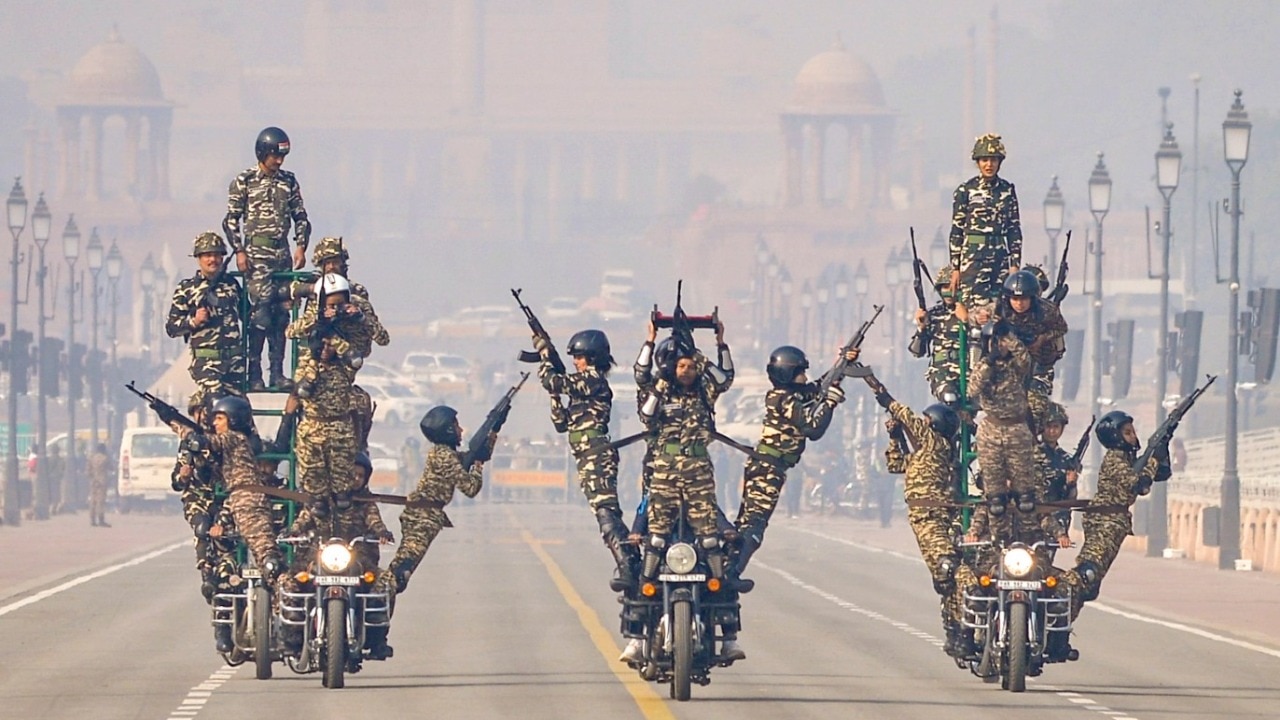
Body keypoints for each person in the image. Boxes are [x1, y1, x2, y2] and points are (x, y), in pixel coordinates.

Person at [634, 322, 741, 660]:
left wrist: (707, 348)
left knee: (709, 539)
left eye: (690, 366)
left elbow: (725, 379)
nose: (686, 371)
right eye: (681, 365)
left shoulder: (704, 391)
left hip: (698, 472)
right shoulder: (659, 390)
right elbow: (646, 414)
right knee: (655, 539)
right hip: (664, 472)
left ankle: (724, 619)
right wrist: (657, 359)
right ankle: (641, 612)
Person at [860, 370, 971, 658]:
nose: (922, 424)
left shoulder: (935, 443)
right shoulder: (926, 453)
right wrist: (895, 437)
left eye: (926, 422)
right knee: (944, 577)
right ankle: (954, 629)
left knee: (949, 569)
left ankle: (961, 631)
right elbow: (897, 465)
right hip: (923, 517)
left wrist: (880, 391)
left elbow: (906, 415)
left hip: (935, 516)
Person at [172, 396, 283, 653]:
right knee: (219, 560)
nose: (212, 422)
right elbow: (178, 480)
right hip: (223, 504)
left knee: (269, 560)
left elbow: (203, 442)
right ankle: (222, 618)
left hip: (240, 503)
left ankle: (286, 618)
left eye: (217, 418)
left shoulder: (234, 439)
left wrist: (182, 428)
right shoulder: (218, 443)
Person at [534, 328, 640, 589]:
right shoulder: (581, 388)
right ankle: (630, 560)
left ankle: (628, 565)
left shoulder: (593, 381)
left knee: (605, 512)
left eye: (579, 357)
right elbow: (561, 423)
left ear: (593, 358)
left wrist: (545, 354)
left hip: (596, 454)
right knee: (604, 512)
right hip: (586, 455)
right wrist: (554, 398)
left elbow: (551, 380)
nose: (575, 362)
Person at [733, 345, 848, 580]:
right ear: (787, 374)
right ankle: (731, 573)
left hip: (769, 466)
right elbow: (812, 429)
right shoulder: (782, 398)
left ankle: (729, 567)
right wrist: (830, 404)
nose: (805, 377)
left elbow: (818, 387)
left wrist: (842, 363)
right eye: (800, 372)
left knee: (749, 523)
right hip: (767, 468)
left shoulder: (790, 395)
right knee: (753, 527)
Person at [224, 126, 311, 391]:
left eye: (282, 156)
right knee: (260, 316)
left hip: (281, 256)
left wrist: (301, 246)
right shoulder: (245, 180)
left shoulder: (289, 181)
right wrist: (239, 250)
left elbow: (300, 216)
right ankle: (254, 374)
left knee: (281, 316)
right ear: (263, 153)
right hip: (256, 257)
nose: (279, 161)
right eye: (275, 156)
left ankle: (277, 373)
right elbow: (231, 220)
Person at [380, 406, 485, 594]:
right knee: (401, 571)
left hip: (422, 513)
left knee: (401, 568)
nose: (461, 430)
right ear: (448, 430)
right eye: (456, 426)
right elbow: (470, 488)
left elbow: (462, 459)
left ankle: (378, 599)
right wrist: (478, 467)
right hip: (424, 517)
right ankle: (374, 599)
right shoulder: (444, 455)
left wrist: (488, 440)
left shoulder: (442, 452)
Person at [286, 275, 371, 504]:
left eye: (339, 303)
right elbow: (291, 332)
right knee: (316, 494)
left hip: (340, 426)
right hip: (313, 426)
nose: (335, 308)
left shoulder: (344, 361)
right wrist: (319, 323)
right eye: (331, 303)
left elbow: (358, 357)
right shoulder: (308, 360)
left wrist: (349, 325)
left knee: (343, 495)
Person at [1068, 411, 1163, 607]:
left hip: (1114, 519)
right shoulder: (1114, 459)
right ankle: (1058, 590)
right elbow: (1137, 484)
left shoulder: (1128, 459)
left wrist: (1161, 453)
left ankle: (1064, 617)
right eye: (1127, 433)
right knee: (1088, 572)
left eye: (1133, 432)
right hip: (1105, 520)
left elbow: (1155, 478)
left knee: (1091, 586)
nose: (1133, 436)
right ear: (1115, 437)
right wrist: (1153, 460)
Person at [967, 319, 1037, 533]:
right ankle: (999, 537)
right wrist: (990, 360)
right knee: (995, 499)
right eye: (996, 341)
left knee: (1025, 497)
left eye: (1002, 342)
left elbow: (1025, 361)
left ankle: (1028, 535)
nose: (1000, 346)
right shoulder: (983, 366)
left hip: (1017, 430)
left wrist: (1010, 339)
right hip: (991, 431)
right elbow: (972, 389)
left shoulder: (1016, 366)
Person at [165, 232, 245, 396]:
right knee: (216, 401)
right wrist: (194, 321)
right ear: (199, 258)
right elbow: (171, 328)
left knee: (238, 407)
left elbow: (247, 313)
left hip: (234, 362)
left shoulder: (231, 284)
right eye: (208, 255)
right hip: (207, 362)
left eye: (216, 255)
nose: (212, 260)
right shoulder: (187, 288)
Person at [948, 133, 1022, 310]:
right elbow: (957, 231)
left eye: (993, 160)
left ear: (999, 162)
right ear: (978, 162)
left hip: (999, 256)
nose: (989, 165)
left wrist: (1015, 264)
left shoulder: (1007, 190)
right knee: (972, 307)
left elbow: (1014, 229)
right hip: (973, 258)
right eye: (985, 160)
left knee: (1000, 306)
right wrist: (955, 268)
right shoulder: (966, 190)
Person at [994, 269, 1067, 399]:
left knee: (1035, 399)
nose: (1019, 303)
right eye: (1015, 299)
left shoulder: (1047, 310)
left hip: (1040, 361)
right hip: (1009, 363)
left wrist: (1042, 338)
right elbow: (978, 317)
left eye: (1023, 299)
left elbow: (1061, 328)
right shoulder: (1000, 309)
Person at [913, 265, 966, 403]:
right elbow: (917, 352)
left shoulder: (971, 312)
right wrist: (921, 328)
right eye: (945, 287)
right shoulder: (934, 314)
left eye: (952, 286)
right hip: (942, 371)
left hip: (968, 370)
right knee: (949, 397)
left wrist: (967, 320)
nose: (949, 291)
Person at [87, 443, 111, 528]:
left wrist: (92, 478)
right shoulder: (105, 458)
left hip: (93, 481)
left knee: (93, 500)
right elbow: (111, 467)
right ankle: (101, 519)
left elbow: (88, 470)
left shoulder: (91, 458)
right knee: (101, 501)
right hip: (102, 481)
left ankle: (92, 519)